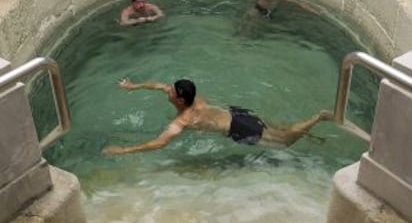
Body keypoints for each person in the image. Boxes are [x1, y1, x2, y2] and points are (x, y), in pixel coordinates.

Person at [102, 78, 332, 155]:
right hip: (236, 112)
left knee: (284, 142)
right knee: (278, 128)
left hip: (239, 128)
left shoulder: (185, 120)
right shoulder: (194, 98)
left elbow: (159, 143)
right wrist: (133, 86)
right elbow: (157, 85)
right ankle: (309, 132)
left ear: (180, 100)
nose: (167, 90)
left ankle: (318, 118)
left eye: (172, 91)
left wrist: (124, 150)